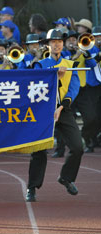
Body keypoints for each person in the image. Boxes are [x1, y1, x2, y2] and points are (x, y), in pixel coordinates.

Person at [25, 29, 84, 202]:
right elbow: (33, 88)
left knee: (77, 147)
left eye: (59, 41)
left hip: (63, 110)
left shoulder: (70, 64)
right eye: (53, 41)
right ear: (47, 45)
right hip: (43, 112)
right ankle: (32, 187)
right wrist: (55, 76)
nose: (57, 44)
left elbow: (73, 89)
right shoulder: (40, 65)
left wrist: (61, 107)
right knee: (39, 150)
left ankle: (66, 178)